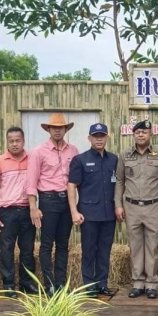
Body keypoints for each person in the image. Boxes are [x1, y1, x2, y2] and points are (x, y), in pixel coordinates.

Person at [26, 113, 79, 293]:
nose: (57, 131)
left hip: (67, 200)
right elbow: (31, 181)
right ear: (48, 129)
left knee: (63, 244)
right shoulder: (38, 152)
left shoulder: (73, 151)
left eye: (61, 128)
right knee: (47, 244)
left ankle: (61, 284)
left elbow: (77, 178)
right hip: (48, 200)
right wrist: (33, 207)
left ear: (65, 129)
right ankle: (49, 284)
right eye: (54, 128)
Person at [68, 123, 119, 297]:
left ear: (107, 138)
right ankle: (89, 285)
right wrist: (74, 211)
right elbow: (71, 185)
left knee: (105, 251)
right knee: (89, 251)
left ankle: (102, 284)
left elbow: (119, 184)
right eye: (95, 136)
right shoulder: (80, 160)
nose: (99, 139)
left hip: (108, 214)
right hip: (88, 214)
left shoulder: (114, 159)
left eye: (102, 136)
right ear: (89, 138)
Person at [115, 119, 158, 299]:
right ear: (134, 134)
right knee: (135, 246)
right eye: (137, 132)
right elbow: (120, 181)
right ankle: (137, 283)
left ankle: (151, 284)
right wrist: (118, 205)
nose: (141, 135)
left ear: (151, 134)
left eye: (144, 132)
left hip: (153, 207)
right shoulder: (125, 154)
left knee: (152, 247)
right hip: (132, 207)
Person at [0, 126, 38, 297]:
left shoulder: (32, 160)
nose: (15, 144)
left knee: (28, 250)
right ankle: (8, 284)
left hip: (27, 211)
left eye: (18, 140)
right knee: (6, 249)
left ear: (23, 141)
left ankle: (26, 283)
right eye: (11, 141)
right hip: (7, 213)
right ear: (7, 142)